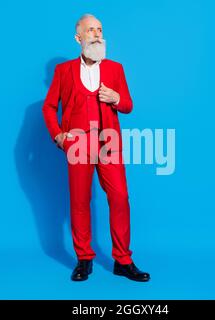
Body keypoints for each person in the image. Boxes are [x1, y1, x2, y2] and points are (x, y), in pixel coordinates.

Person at [42, 14, 150, 282]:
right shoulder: (64, 71)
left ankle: (123, 261)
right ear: (79, 38)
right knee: (79, 201)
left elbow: (128, 105)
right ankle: (84, 259)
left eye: (100, 29)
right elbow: (49, 107)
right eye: (91, 30)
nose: (97, 34)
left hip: (109, 145)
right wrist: (58, 135)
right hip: (77, 144)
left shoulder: (115, 69)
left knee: (120, 198)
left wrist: (116, 97)